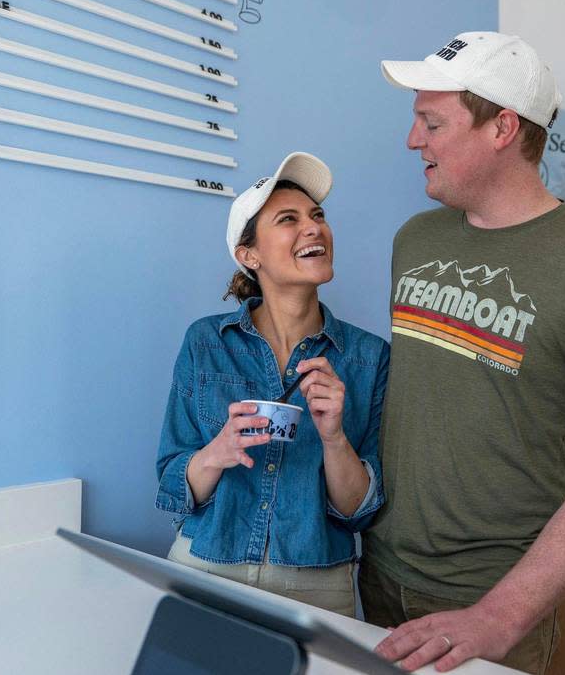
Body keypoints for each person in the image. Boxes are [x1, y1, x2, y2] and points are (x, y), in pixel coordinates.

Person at [361, 32, 565, 673]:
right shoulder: (414, 240)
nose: (412, 141)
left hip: (491, 597)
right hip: (375, 572)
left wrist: (500, 616)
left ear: (502, 127)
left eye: (431, 122)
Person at [155, 152, 390, 617]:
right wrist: (215, 453)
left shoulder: (369, 357)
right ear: (249, 256)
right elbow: (172, 484)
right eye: (289, 219)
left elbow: (359, 511)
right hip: (206, 566)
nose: (313, 228)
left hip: (319, 584)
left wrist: (333, 438)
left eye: (318, 216)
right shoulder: (206, 341)